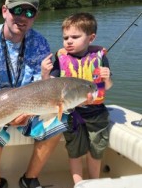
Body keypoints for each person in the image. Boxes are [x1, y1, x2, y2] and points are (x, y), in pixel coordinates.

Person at [0, 0, 69, 188]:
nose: (23, 17)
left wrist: (27, 113)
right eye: (17, 10)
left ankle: (29, 179)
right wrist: (11, 115)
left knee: (59, 122)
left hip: (29, 102)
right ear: (5, 11)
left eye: (29, 13)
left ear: (35, 17)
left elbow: (42, 85)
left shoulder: (39, 42)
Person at [41, 12, 113, 184]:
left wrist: (107, 77)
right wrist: (45, 73)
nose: (69, 41)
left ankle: (94, 183)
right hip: (71, 113)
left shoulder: (100, 57)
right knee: (75, 151)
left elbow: (107, 87)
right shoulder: (60, 58)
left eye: (75, 36)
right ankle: (79, 184)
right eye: (65, 37)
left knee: (96, 150)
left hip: (96, 113)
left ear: (91, 37)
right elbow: (49, 86)